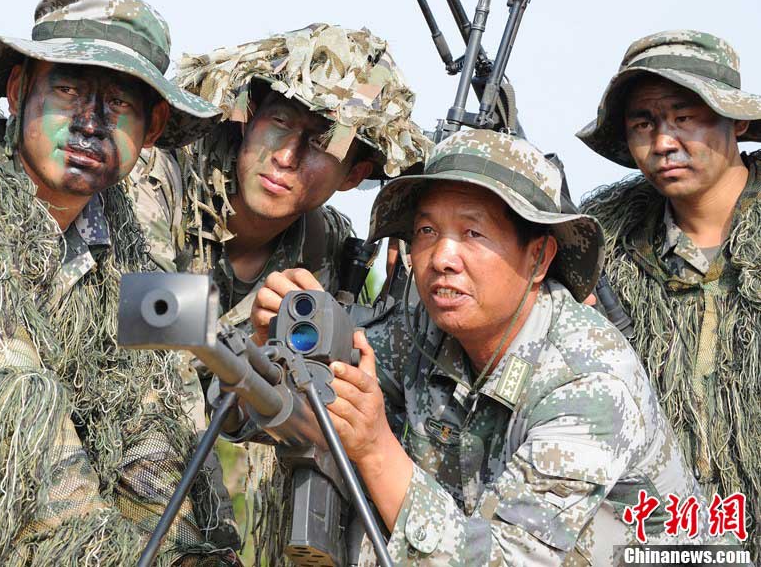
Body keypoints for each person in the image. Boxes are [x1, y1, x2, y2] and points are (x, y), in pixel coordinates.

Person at [0, 0, 234, 566]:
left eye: (119, 104)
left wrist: (184, 555)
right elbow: (9, 425)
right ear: (17, 92)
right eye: (67, 90)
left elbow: (151, 424)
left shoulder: (128, 243)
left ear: (154, 128)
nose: (91, 123)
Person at [253, 128, 715, 565]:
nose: (442, 259)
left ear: (538, 257)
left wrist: (376, 448)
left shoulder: (588, 380)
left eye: (473, 234)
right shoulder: (424, 327)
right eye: (427, 232)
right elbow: (286, 413)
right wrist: (284, 351)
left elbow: (505, 559)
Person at [126, 23, 429, 558]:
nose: (285, 156)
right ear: (247, 119)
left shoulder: (327, 247)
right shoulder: (156, 179)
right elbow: (151, 361)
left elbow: (276, 412)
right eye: (279, 122)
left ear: (355, 173)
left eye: (319, 142)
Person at [578, 30, 761, 560]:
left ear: (737, 119)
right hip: (663, 538)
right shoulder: (604, 249)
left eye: (685, 117)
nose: (663, 142)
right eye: (645, 123)